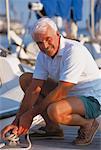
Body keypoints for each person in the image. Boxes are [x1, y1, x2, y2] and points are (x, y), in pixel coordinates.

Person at [1, 17, 101, 145]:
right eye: (40, 43)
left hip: (91, 100)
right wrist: (17, 121)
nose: (45, 45)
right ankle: (52, 129)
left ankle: (88, 124)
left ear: (57, 34)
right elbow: (34, 90)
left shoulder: (73, 51)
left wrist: (30, 115)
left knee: (54, 111)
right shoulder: (42, 56)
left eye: (48, 39)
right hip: (68, 96)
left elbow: (61, 91)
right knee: (26, 79)